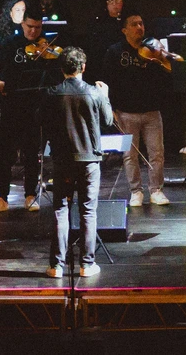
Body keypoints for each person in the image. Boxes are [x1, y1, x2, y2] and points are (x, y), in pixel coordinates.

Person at [42, 47, 114, 278]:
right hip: (89, 160)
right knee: (88, 211)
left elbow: (40, 121)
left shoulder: (51, 93)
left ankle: (56, 266)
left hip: (62, 159)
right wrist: (106, 96)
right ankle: (86, 264)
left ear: (61, 69)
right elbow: (109, 120)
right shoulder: (94, 93)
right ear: (83, 67)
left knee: (60, 210)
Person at [101, 11, 172, 207]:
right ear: (124, 30)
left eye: (141, 23)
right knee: (130, 155)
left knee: (156, 153)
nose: (139, 27)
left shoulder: (152, 50)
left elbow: (166, 77)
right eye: (134, 24)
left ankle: (156, 190)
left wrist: (162, 58)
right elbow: (108, 81)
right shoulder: (115, 52)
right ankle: (136, 191)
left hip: (151, 110)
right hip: (126, 112)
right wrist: (111, 108)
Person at [0, 11, 54, 213]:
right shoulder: (10, 43)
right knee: (4, 153)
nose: (33, 31)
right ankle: (2, 197)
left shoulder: (45, 48)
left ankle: (30, 195)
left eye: (37, 27)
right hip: (11, 104)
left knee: (31, 152)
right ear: (23, 24)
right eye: (30, 27)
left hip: (34, 107)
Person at [85, 0, 125, 82]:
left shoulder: (128, 19)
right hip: (104, 62)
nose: (114, 4)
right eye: (110, 1)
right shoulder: (99, 22)